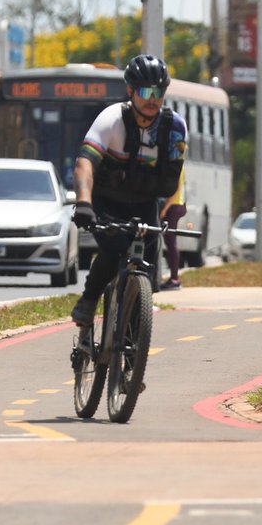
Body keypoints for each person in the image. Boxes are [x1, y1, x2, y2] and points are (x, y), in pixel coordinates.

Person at [69, 54, 188, 326]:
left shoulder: (174, 128)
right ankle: (88, 300)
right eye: (145, 91)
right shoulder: (112, 119)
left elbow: (173, 177)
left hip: (144, 203)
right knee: (113, 253)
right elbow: (85, 163)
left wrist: (167, 212)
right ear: (131, 91)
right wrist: (84, 204)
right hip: (105, 201)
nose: (152, 99)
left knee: (148, 268)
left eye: (159, 92)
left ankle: (135, 336)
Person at [159, 169, 186, 290]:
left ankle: (174, 279)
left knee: (171, 242)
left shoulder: (178, 166)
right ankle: (174, 278)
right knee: (170, 242)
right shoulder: (179, 164)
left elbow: (174, 191)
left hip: (173, 206)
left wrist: (164, 209)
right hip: (176, 205)